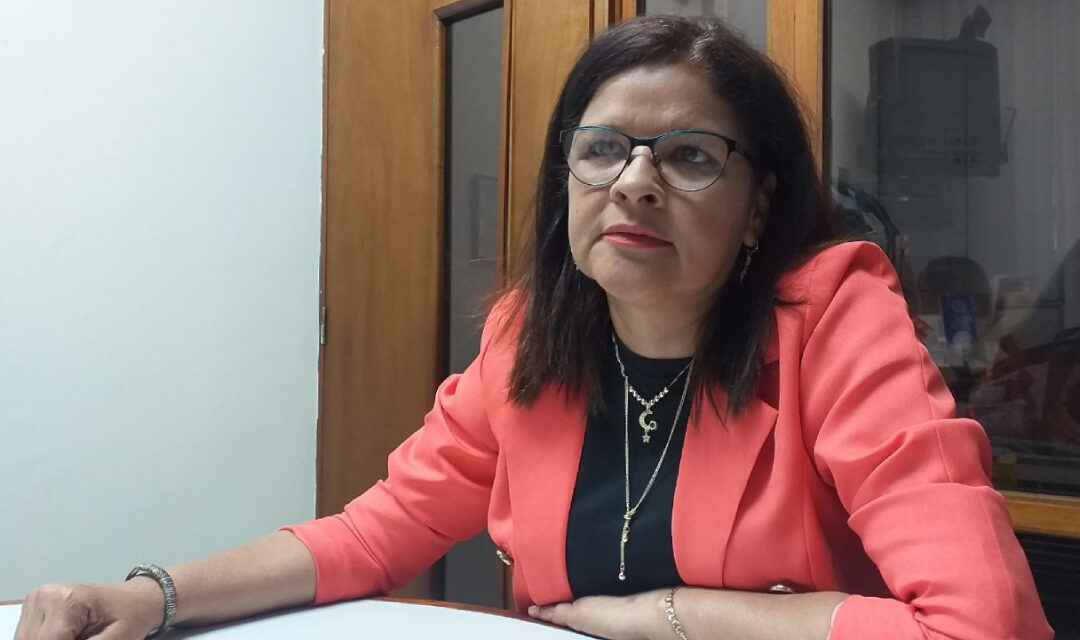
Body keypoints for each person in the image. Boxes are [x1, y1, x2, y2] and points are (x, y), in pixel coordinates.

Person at [14, 15, 1052, 640]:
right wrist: (152, 595)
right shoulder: (529, 339)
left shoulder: (833, 319)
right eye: (602, 149)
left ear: (758, 208)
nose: (634, 182)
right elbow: (372, 535)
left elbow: (984, 625)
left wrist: (674, 616)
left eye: (690, 156)